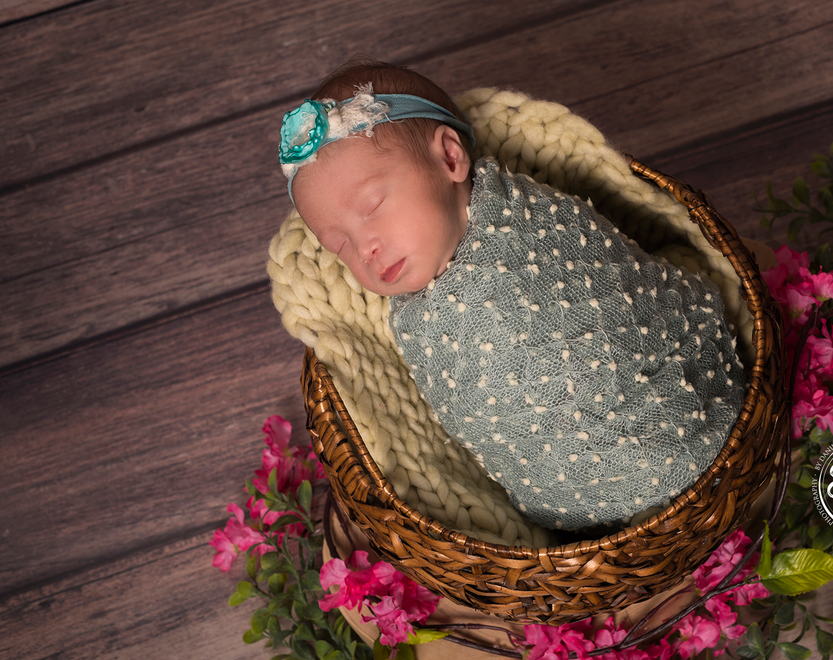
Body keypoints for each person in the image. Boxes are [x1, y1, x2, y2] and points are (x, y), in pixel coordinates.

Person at [280, 61, 744, 531]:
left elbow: (612, 291)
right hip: (576, 507)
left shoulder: (522, 220)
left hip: (685, 400)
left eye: (373, 206)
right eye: (338, 245)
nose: (365, 248)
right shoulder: (411, 316)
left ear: (449, 159)